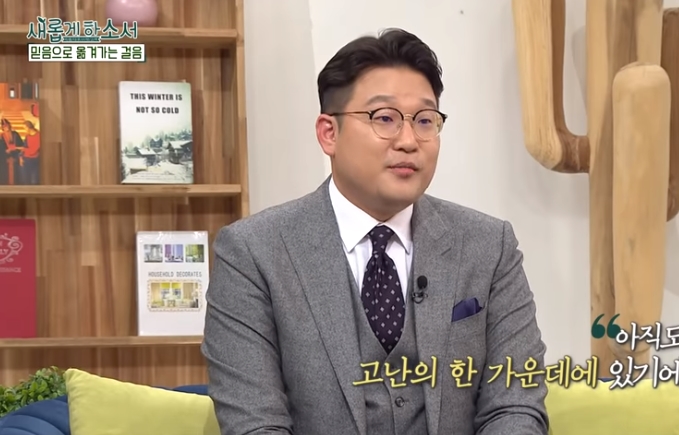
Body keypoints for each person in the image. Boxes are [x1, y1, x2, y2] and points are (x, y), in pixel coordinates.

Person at [202, 28, 548, 435]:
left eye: (425, 121)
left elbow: (515, 405)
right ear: (329, 133)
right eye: (384, 118)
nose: (408, 141)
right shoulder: (252, 253)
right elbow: (254, 424)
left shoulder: (489, 246)